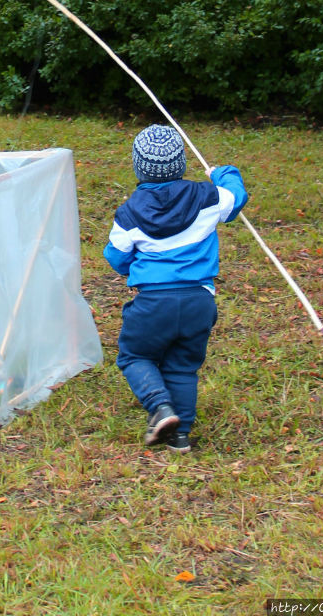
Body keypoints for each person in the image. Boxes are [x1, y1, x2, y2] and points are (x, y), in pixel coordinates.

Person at [103, 123, 248, 452]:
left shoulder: (129, 214)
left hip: (153, 303)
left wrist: (135, 270)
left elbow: (116, 256)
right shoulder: (208, 197)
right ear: (180, 163)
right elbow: (236, 198)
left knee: (135, 355)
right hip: (199, 301)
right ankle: (179, 436)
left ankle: (159, 407)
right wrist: (224, 173)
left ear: (139, 167)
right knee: (182, 365)